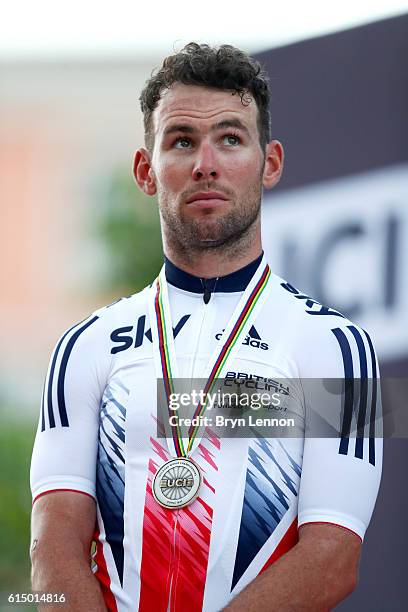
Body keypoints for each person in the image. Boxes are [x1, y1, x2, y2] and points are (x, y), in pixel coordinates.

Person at [30, 43, 382, 611]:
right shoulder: (84, 347)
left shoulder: (335, 347)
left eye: (231, 138)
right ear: (146, 171)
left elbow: (333, 558)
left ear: (270, 163)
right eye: (181, 141)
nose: (205, 164)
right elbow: (52, 550)